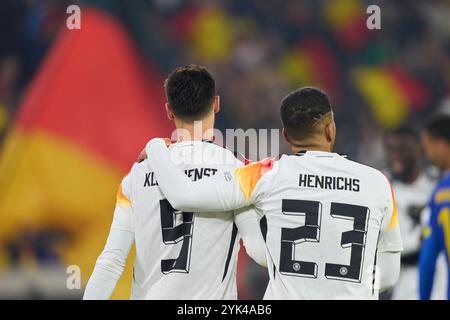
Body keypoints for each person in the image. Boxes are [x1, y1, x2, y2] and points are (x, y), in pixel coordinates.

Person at [144, 87, 403, 299]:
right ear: (330, 129)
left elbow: (182, 196)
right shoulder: (377, 183)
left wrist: (156, 147)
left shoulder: (266, 175)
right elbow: (389, 277)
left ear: (287, 136)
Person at [83, 65, 266, 299]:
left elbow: (111, 261)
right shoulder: (236, 172)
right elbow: (258, 250)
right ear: (216, 104)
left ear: (169, 111)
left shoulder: (138, 175)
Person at [383, 126, 436, 299]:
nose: (395, 156)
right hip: (399, 285)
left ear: (419, 149)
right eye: (390, 150)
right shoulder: (381, 189)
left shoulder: (436, 186)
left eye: (402, 149)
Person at [419, 113, 450, 300]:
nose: (427, 155)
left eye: (427, 147)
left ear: (440, 144)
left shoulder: (440, 193)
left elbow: (428, 259)